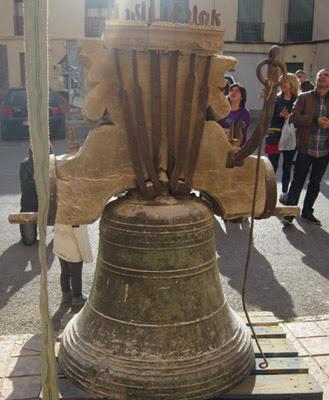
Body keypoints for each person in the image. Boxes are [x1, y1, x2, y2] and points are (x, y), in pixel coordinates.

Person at [283, 68, 329, 226]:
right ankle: (289, 214)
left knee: (315, 183)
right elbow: (294, 117)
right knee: (297, 182)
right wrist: (315, 119)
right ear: (316, 79)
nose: (322, 77)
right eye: (320, 75)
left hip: (324, 151)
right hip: (305, 147)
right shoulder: (304, 97)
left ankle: (307, 212)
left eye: (326, 75)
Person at [265, 73, 300, 204]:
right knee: (271, 167)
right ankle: (270, 193)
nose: (283, 84)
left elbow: (301, 118)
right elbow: (267, 118)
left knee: (287, 166)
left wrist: (290, 117)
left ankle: (284, 192)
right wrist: (280, 115)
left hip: (290, 137)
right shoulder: (275, 99)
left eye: (285, 81)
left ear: (292, 83)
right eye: (281, 81)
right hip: (274, 136)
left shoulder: (298, 99)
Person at [53, 224, 93, 306]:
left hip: (60, 244)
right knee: (76, 275)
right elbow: (82, 237)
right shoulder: (77, 215)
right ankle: (77, 297)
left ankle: (66, 294)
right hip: (73, 249)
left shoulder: (58, 210)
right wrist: (87, 256)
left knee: (64, 272)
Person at [19, 147, 38, 245]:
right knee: (29, 241)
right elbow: (25, 187)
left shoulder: (52, 163)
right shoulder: (25, 165)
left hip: (50, 204)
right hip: (30, 204)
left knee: (61, 242)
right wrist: (35, 180)